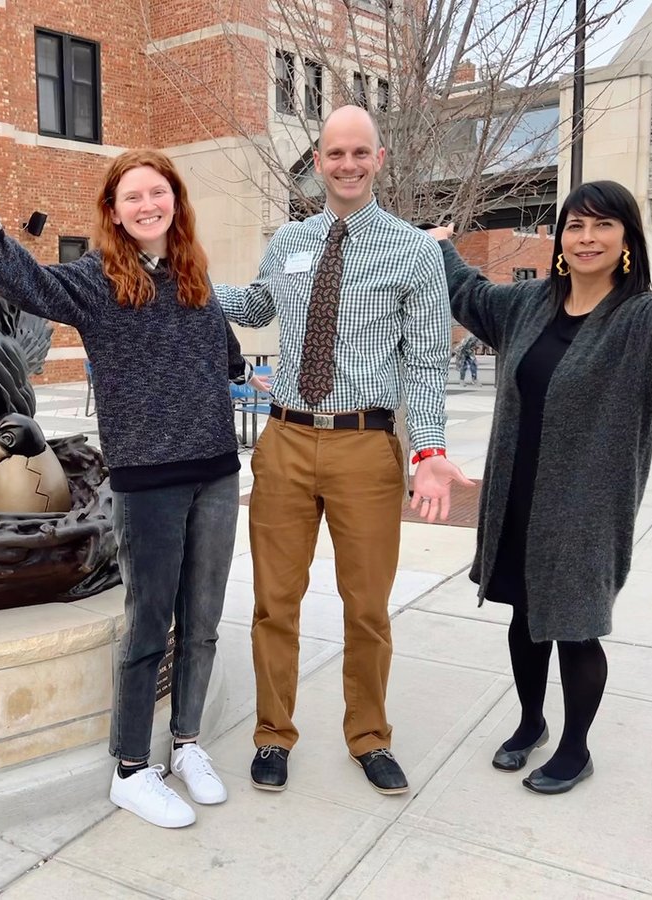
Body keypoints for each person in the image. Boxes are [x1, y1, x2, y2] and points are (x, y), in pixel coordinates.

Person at [0, 128, 241, 828]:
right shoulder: (97, 281)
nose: (148, 204)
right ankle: (132, 769)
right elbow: (23, 280)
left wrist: (230, 374)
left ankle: (187, 744)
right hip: (149, 482)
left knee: (204, 621)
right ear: (114, 211)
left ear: (175, 202)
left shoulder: (193, 274)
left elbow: (218, 343)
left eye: (159, 192)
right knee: (150, 625)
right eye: (134, 196)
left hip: (215, 474)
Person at [427, 180, 652, 794]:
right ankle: (531, 722)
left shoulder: (649, 322)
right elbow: (468, 293)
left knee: (576, 628)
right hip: (517, 495)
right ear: (561, 237)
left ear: (627, 239)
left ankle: (575, 747)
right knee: (523, 615)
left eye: (603, 225)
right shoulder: (527, 304)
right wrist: (441, 247)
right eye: (575, 225)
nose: (587, 238)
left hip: (585, 508)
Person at [214, 106, 471, 796]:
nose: (347, 164)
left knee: (367, 607)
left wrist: (429, 450)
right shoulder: (290, 240)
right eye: (335, 153)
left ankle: (369, 736)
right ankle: (273, 734)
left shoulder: (414, 252)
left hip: (365, 446)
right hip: (286, 439)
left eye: (360, 153)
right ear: (319, 162)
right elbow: (257, 307)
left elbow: (424, 362)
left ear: (379, 159)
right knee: (274, 602)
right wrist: (184, 283)